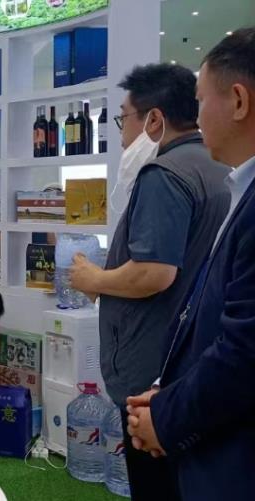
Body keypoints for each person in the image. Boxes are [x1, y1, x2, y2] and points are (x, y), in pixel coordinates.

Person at [68, 63, 231, 500]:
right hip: (195, 364)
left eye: (123, 119)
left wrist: (95, 278)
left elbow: (154, 272)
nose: (122, 136)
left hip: (154, 370)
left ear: (154, 120)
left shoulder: (165, 174)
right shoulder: (219, 168)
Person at [126, 28, 255, 501]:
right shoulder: (237, 185)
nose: (197, 118)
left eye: (201, 101)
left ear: (238, 101)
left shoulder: (166, 173)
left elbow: (244, 353)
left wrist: (166, 417)